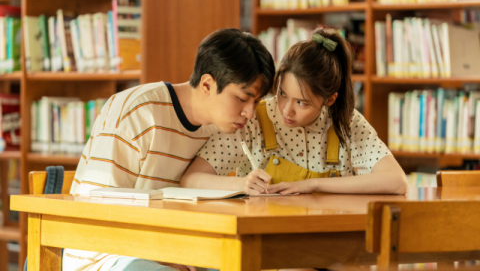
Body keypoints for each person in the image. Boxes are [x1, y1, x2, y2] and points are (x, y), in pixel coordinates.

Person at [64, 28, 276, 271]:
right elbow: (97, 212)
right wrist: (165, 254)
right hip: (105, 255)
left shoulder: (227, 128)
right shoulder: (138, 113)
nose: (249, 113)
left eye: (256, 102)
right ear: (207, 84)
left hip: (176, 249)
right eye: (242, 98)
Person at [181, 26, 408, 198]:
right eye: (282, 94)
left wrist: (313, 185)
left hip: (334, 244)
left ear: (329, 99)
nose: (286, 110)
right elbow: (191, 179)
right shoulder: (253, 118)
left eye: (301, 103)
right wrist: (242, 184)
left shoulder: (346, 122)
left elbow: (397, 182)